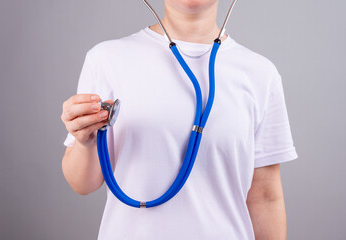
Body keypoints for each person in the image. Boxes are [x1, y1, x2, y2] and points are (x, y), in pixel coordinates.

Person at [60, 0, 298, 239]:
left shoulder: (261, 74)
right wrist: (85, 142)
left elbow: (265, 197)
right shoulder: (107, 59)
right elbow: (83, 184)